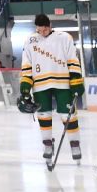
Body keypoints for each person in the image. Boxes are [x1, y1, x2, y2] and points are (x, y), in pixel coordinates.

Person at [19, 13, 84, 163]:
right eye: (39, 30)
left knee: (68, 115)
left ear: (50, 26)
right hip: (40, 83)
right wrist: (25, 85)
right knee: (44, 115)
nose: (42, 33)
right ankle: (48, 144)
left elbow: (72, 59)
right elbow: (26, 64)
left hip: (62, 82)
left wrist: (75, 79)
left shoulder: (64, 37)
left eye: (45, 30)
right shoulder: (30, 40)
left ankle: (75, 144)